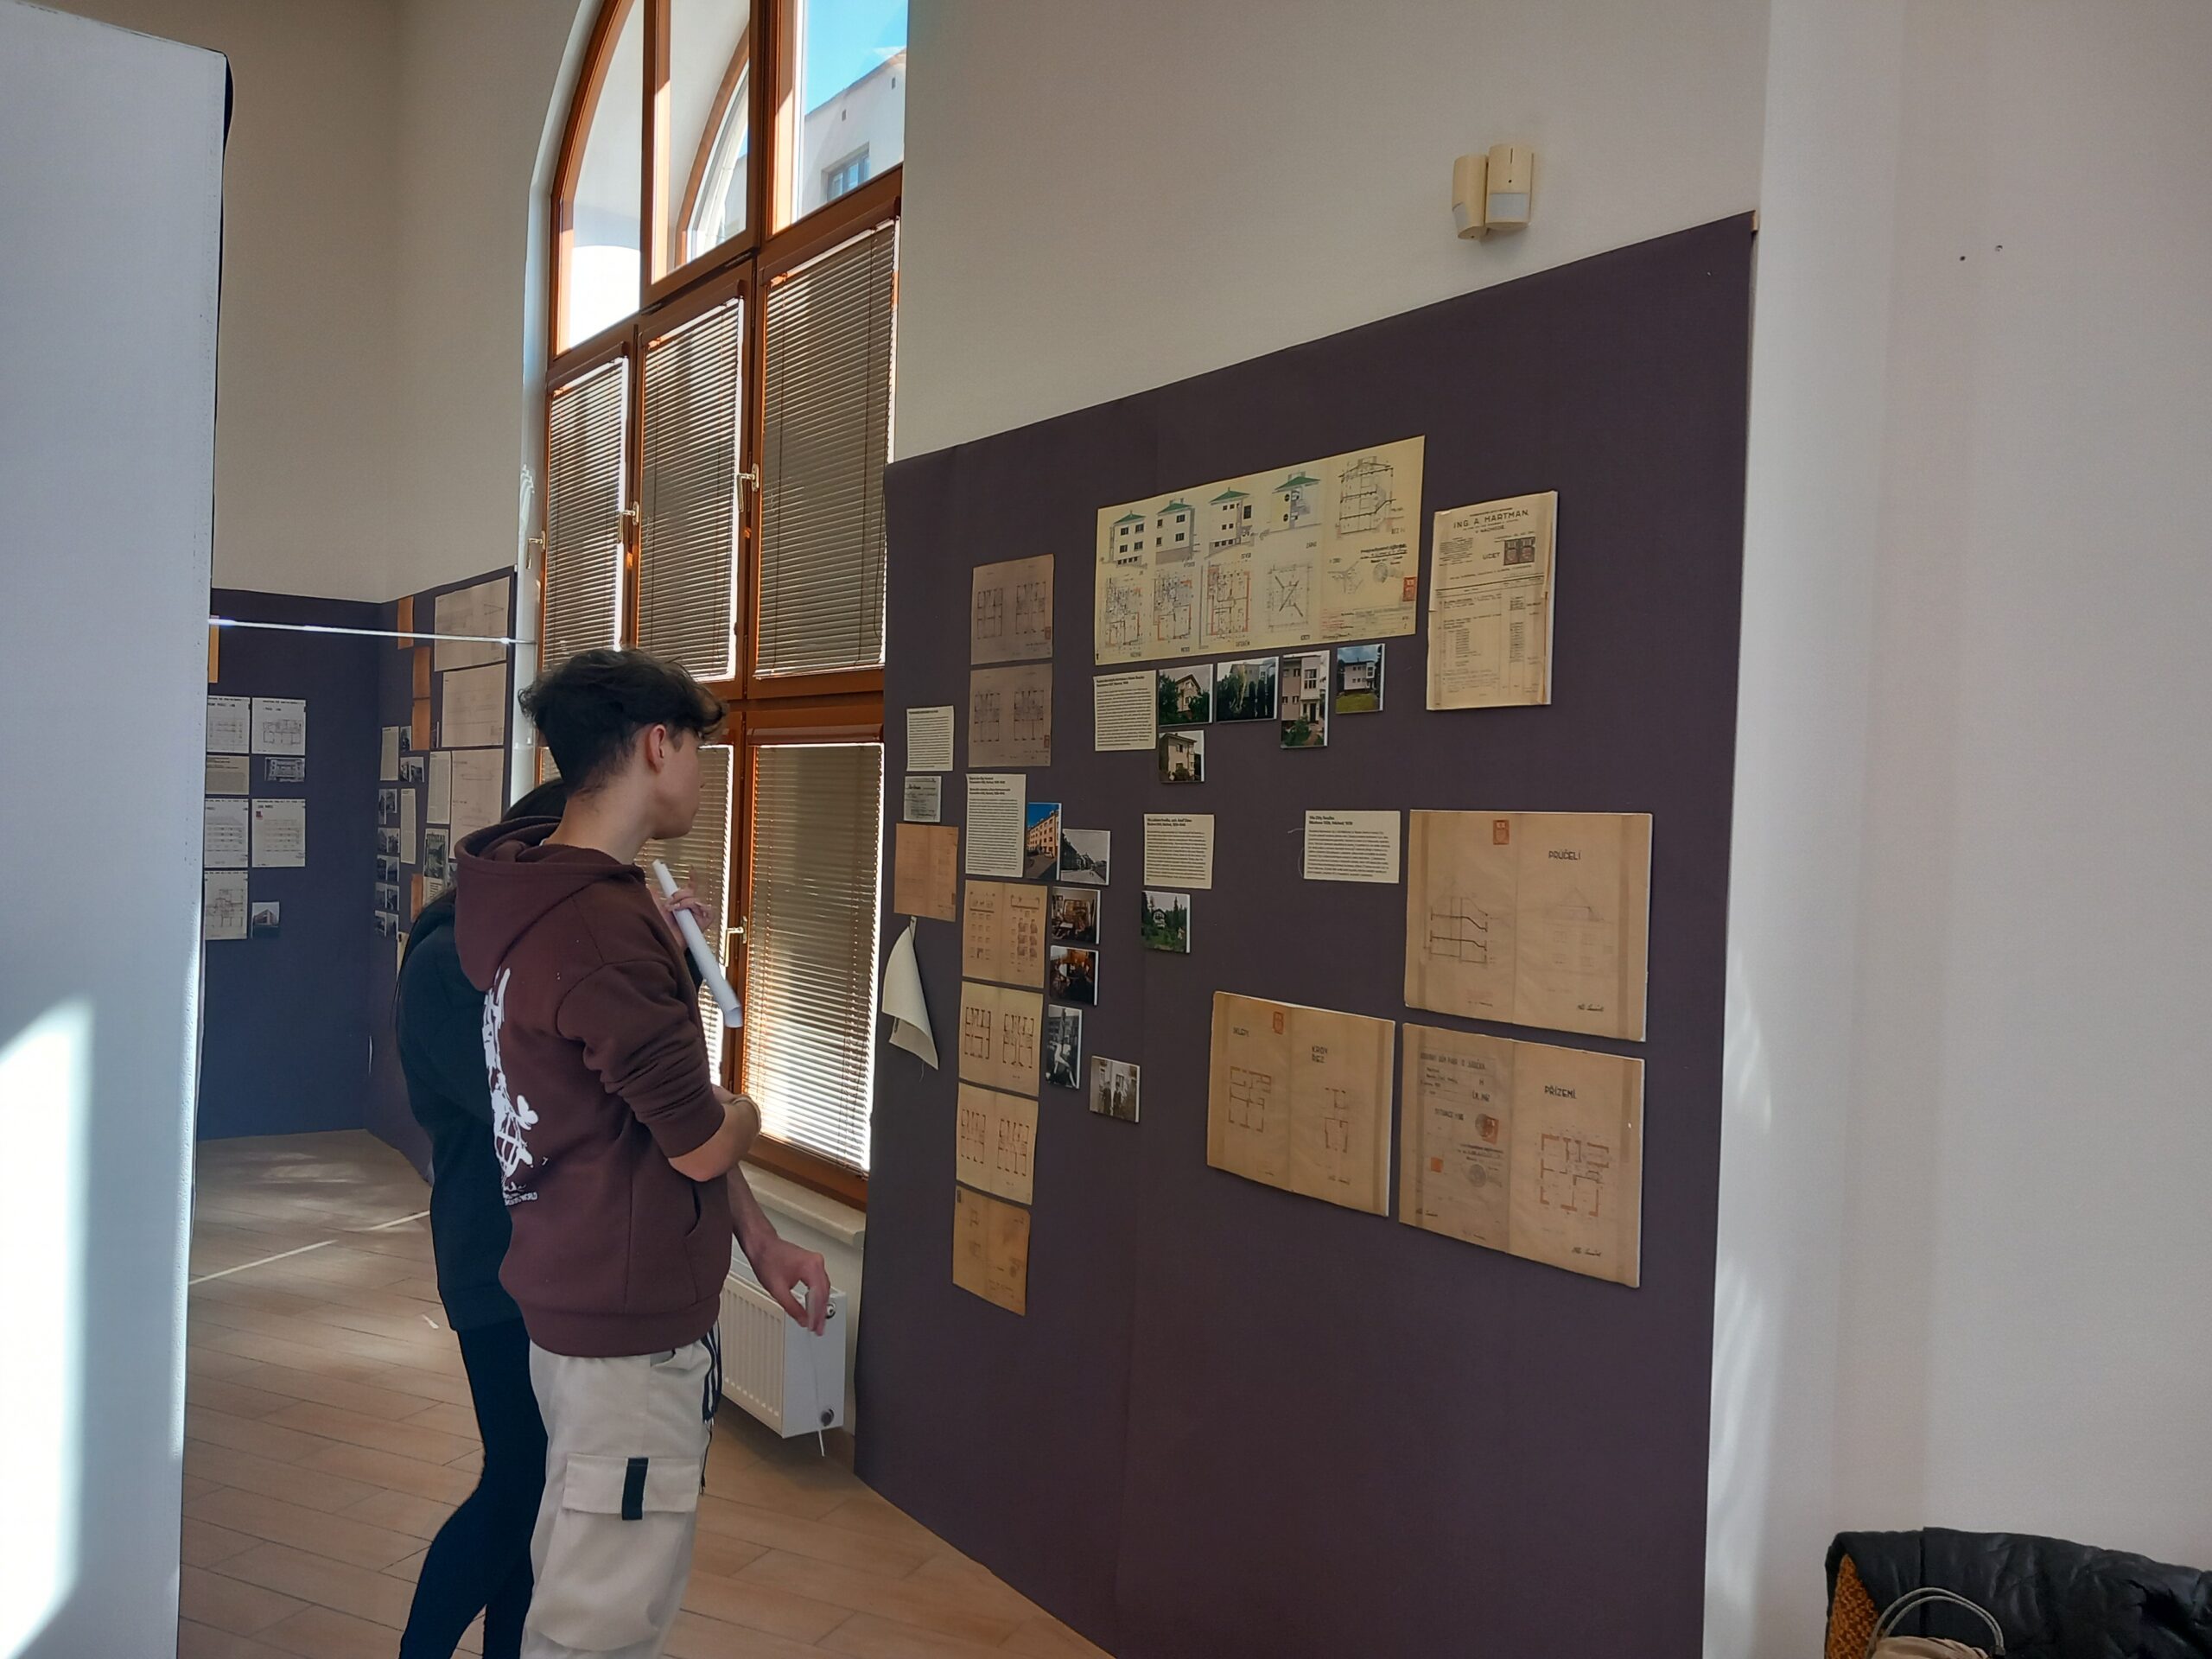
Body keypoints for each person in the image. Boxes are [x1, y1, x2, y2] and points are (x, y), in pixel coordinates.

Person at [454, 648, 830, 1659]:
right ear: (658, 745)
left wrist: (760, 1242)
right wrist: (745, 1108)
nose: (704, 773)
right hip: (621, 1337)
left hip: (591, 1308)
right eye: (700, 747)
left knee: (592, 1589)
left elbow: (648, 1118)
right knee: (598, 1626)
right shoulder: (600, 930)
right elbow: (700, 1140)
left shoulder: (566, 900)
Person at [392, 778, 714, 1659]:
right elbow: (562, 1103)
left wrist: (660, 972)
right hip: (497, 1264)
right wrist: (641, 981)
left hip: (562, 1258)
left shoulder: (541, 947)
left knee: (547, 1492)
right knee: (519, 1482)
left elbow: (631, 1093)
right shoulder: (449, 960)